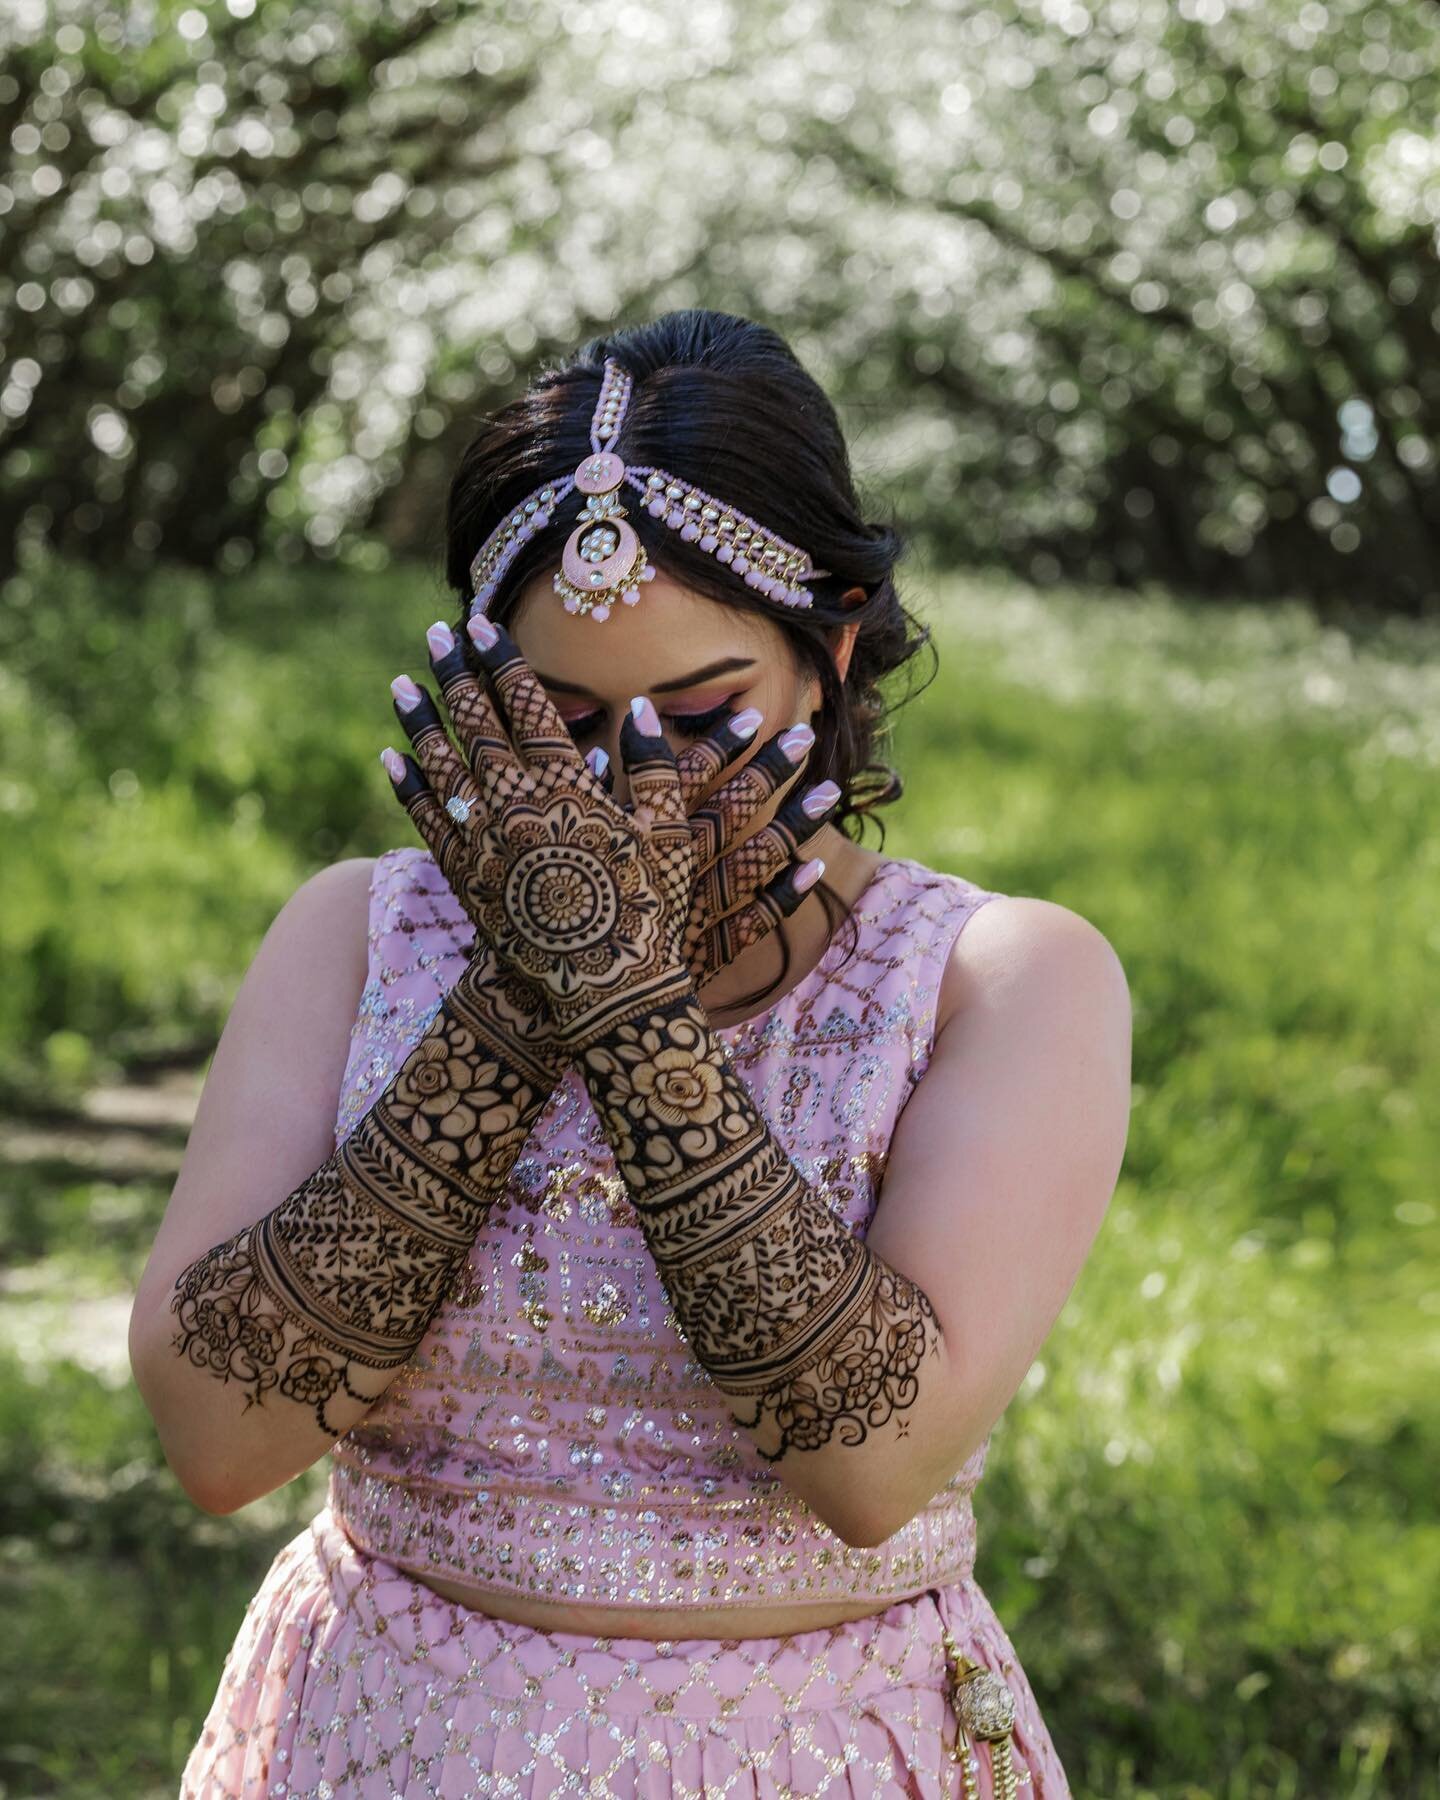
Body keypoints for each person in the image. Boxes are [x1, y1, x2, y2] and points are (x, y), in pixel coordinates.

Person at [128, 309, 1132, 1797]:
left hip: (816, 1752)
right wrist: (516, 1002)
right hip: (392, 1740)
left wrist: (615, 998)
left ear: (831, 654)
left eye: (704, 713)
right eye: (563, 723)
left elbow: (866, 1460)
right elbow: (218, 1439)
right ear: (481, 693)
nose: (623, 789)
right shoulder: (357, 935)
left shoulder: (998, 980)